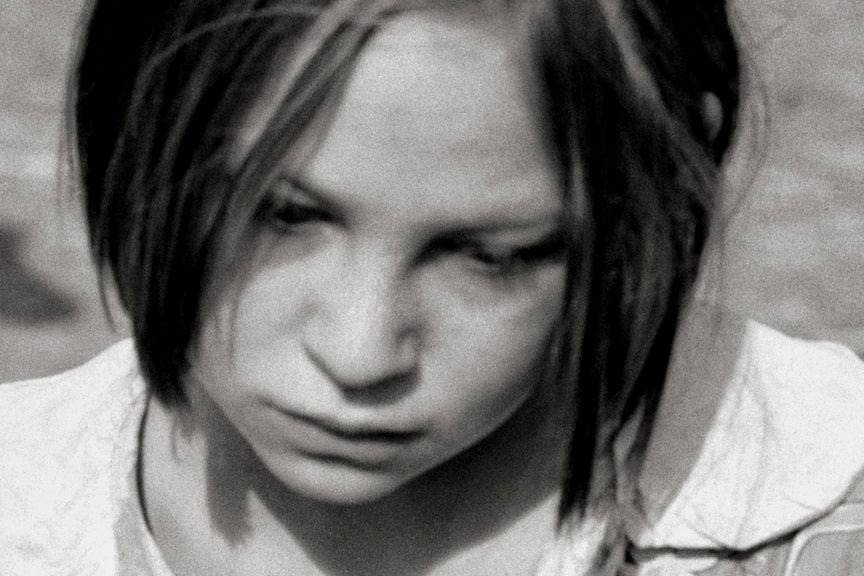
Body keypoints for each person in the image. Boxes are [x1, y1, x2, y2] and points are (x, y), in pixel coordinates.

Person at [2, 0, 863, 574]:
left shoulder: (819, 522)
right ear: (133, 126)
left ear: (658, 187)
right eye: (279, 215)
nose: (359, 352)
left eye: (491, 256)